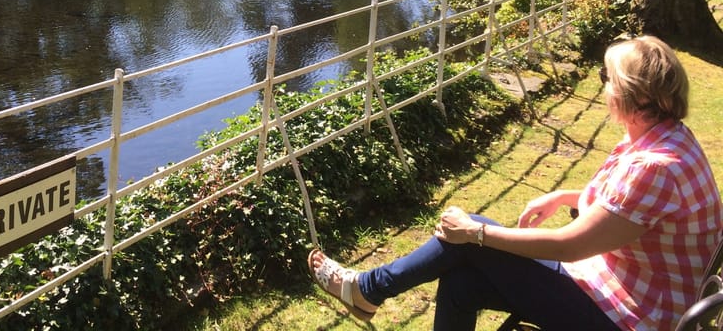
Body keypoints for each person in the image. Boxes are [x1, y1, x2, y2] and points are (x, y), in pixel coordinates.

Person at [308, 35, 722, 331]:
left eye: (608, 78)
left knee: (468, 235)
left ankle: (367, 288)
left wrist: (479, 232)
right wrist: (564, 194)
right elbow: (633, 212)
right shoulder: (668, 139)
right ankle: (368, 289)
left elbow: (569, 244)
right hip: (619, 292)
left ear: (629, 95)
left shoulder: (655, 165)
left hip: (625, 316)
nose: (605, 86)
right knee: (462, 284)